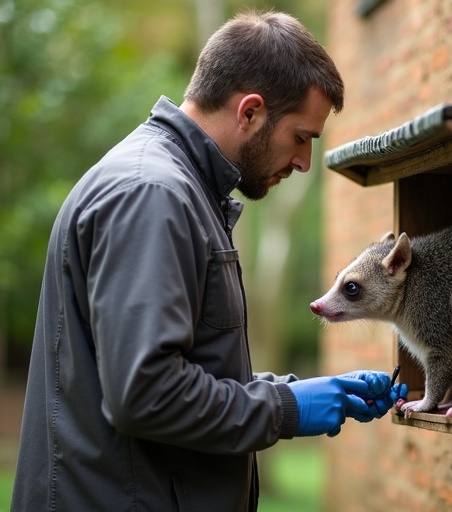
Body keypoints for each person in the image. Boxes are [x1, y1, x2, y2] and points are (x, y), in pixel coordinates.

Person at [11, 10, 406, 512]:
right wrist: (286, 410)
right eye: (302, 137)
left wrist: (294, 391)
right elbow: (147, 394)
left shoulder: (179, 189)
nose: (305, 162)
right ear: (250, 112)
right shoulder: (150, 194)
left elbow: (181, 370)